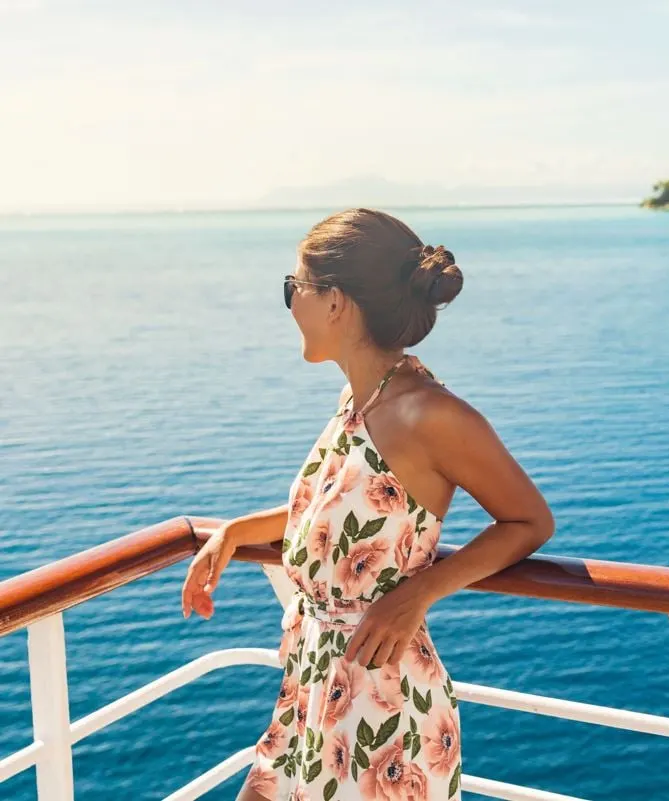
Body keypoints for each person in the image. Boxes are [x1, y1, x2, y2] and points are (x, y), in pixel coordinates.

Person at [181, 208, 555, 801]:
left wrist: (420, 591)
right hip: (312, 690)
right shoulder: (361, 399)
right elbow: (343, 520)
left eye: (293, 288)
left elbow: (529, 520)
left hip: (384, 714)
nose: (289, 304)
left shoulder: (427, 413)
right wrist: (233, 532)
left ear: (336, 301)